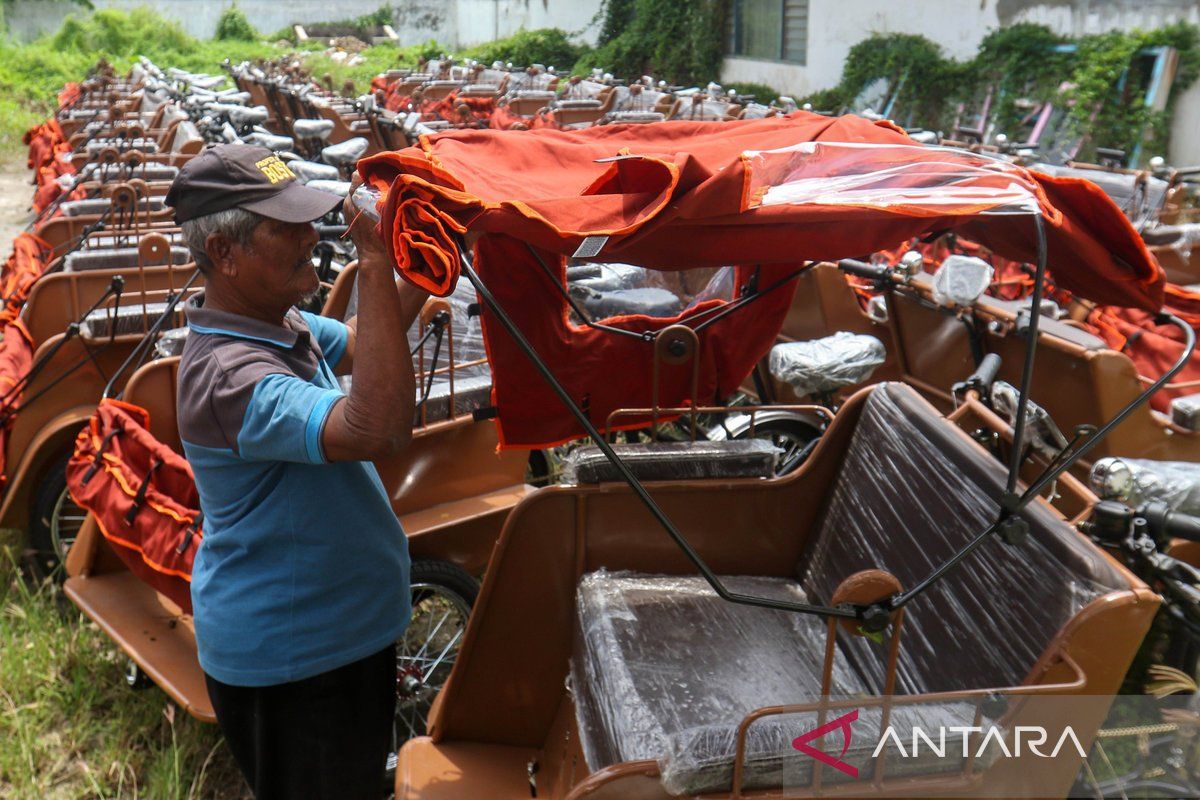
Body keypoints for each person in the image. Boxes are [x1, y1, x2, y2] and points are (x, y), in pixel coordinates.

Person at [165, 144, 427, 799]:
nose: (312, 236)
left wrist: (426, 264)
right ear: (224, 253)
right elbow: (378, 428)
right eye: (286, 227)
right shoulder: (230, 375)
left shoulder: (275, 321)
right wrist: (374, 260)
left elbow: (364, 338)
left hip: (336, 636)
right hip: (298, 659)